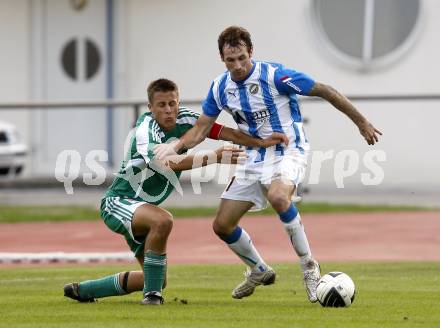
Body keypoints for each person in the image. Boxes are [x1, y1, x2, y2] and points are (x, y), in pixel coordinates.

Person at [154, 26, 382, 303]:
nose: (237, 66)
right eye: (230, 60)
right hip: (253, 155)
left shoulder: (275, 76)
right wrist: (175, 146)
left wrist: (362, 123)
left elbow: (324, 90)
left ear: (251, 52)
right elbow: (202, 128)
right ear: (222, 59)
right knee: (222, 226)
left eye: (241, 58)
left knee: (278, 196)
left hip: (287, 150)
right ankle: (259, 269)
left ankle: (309, 265)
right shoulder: (219, 87)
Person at [63, 78, 287, 305]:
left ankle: (85, 290)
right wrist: (215, 157)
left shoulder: (186, 118)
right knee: (163, 221)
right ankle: (152, 299)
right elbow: (169, 163)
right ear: (150, 108)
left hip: (142, 209)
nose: (169, 110)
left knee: (157, 279)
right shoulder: (144, 131)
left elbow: (223, 131)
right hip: (118, 202)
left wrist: (260, 142)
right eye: (162, 105)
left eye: (173, 103)